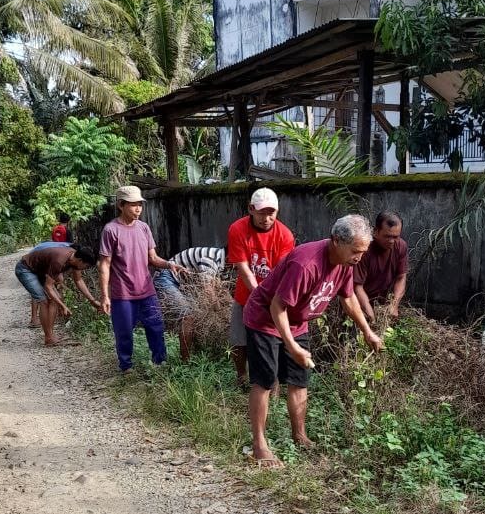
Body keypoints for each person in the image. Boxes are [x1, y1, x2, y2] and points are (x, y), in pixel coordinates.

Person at [243, 214, 383, 467]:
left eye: (363, 252)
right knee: (264, 381)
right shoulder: (306, 264)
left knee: (299, 380)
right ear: (336, 240)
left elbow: (348, 298)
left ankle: (300, 436)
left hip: (297, 322)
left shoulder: (345, 263)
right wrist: (292, 346)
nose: (359, 257)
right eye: (355, 251)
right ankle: (259, 445)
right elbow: (277, 307)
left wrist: (367, 331)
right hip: (264, 319)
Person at [98, 185, 184, 373]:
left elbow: (152, 258)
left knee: (156, 327)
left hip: (146, 290)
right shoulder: (111, 230)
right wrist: (105, 295)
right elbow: (104, 264)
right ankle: (126, 367)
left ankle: (160, 363)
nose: (138, 209)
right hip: (122, 292)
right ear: (121, 205)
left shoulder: (143, 228)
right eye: (133, 205)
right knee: (124, 332)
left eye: (140, 204)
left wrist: (169, 264)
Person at [227, 187, 295, 388]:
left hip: (274, 298)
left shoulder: (285, 235)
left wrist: (270, 302)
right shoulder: (237, 229)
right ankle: (241, 376)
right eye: (262, 213)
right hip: (245, 295)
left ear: (277, 211)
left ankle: (273, 386)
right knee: (239, 339)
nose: (266, 218)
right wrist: (258, 297)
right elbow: (243, 268)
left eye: (271, 213)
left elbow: (281, 273)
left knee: (271, 343)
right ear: (251, 209)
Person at [14, 243, 101, 347]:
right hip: (25, 269)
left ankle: (50, 336)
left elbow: (78, 280)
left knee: (54, 299)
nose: (84, 269)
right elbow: (48, 287)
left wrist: (92, 301)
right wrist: (63, 306)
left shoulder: (74, 258)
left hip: (40, 271)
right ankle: (49, 338)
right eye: (85, 266)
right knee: (43, 300)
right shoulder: (59, 260)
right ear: (80, 260)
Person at [152, 245, 226, 363]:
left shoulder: (221, 261)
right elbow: (208, 290)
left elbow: (217, 290)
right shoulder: (211, 259)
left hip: (182, 283)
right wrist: (220, 312)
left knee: (197, 314)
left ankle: (194, 353)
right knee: (188, 315)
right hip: (167, 277)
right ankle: (185, 362)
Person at [353, 211, 408, 323]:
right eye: (387, 236)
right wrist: (370, 314)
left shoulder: (401, 246)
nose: (391, 241)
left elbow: (401, 277)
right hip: (358, 301)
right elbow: (357, 286)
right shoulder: (364, 249)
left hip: (382, 304)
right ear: (375, 231)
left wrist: (394, 304)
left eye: (395, 237)